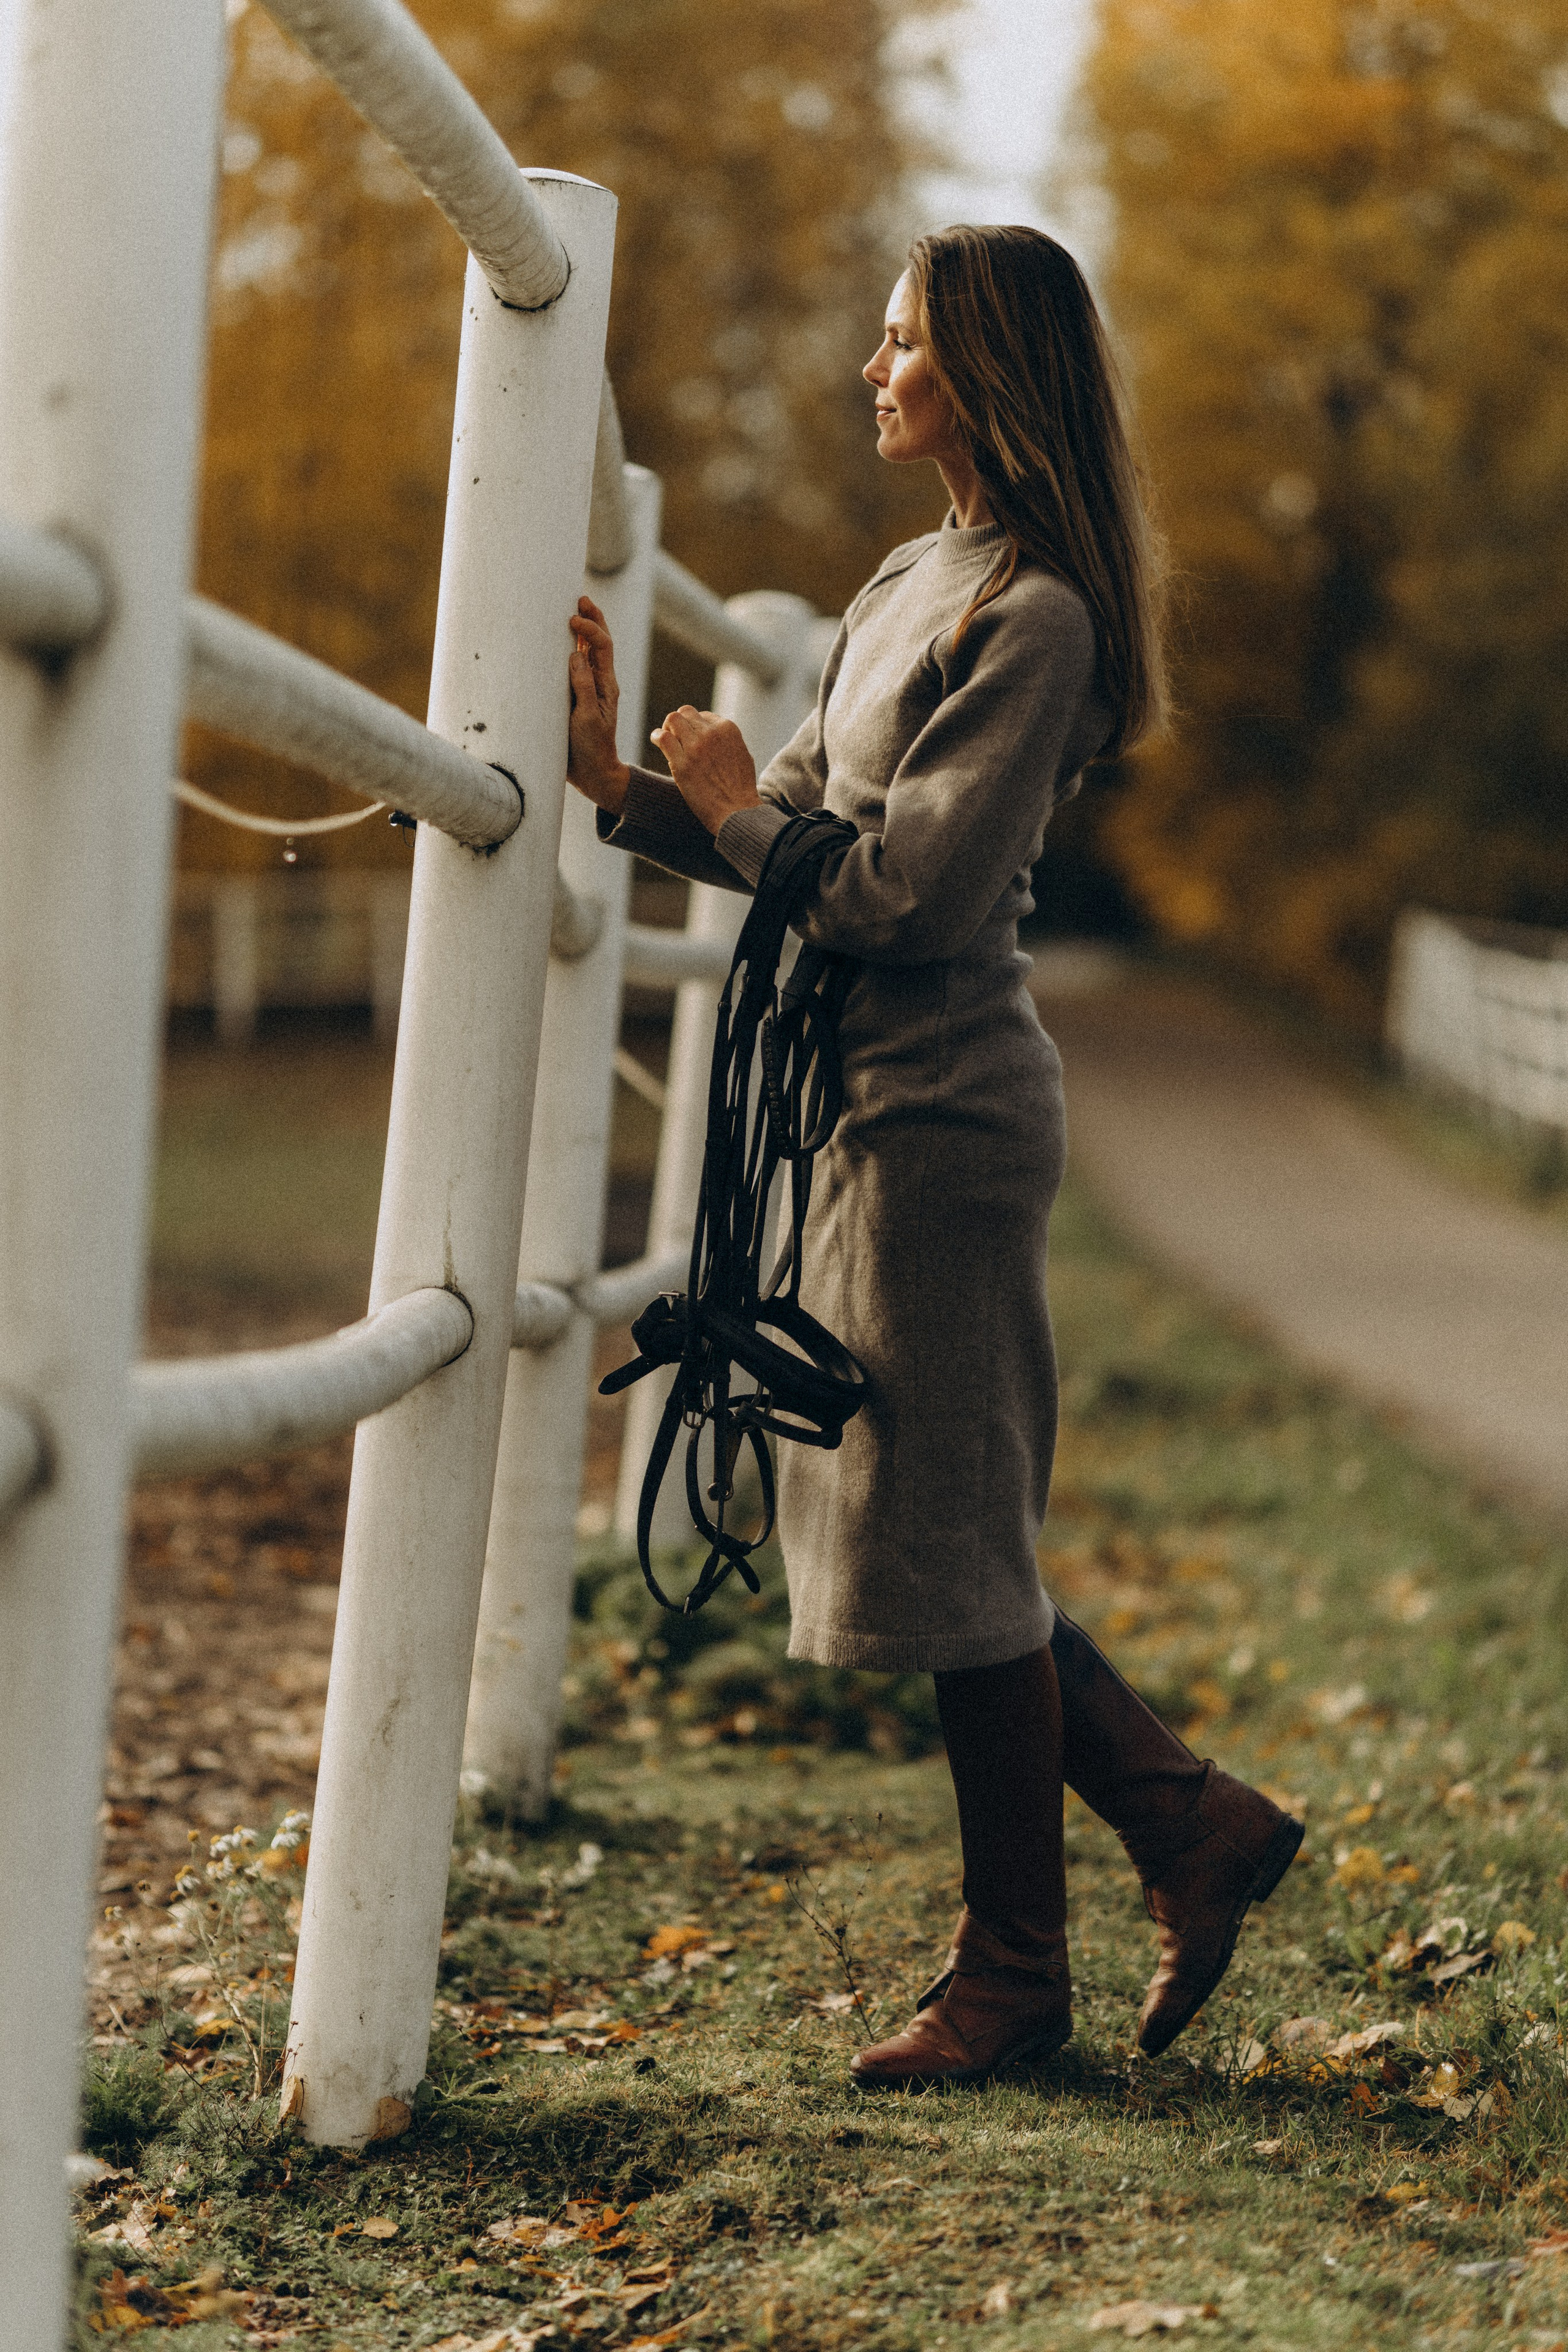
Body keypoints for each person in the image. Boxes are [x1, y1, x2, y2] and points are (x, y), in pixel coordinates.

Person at [565, 224, 1303, 2086]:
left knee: (956, 1537)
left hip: (949, 1114)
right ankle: (1180, 1823)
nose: (873, 370)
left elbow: (902, 890)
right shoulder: (908, 575)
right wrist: (627, 797)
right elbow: (793, 826)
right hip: (852, 1111)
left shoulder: (1036, 614)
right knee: (935, 1521)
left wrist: (733, 811)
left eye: (902, 344)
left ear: (987, 368)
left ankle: (1017, 1976)